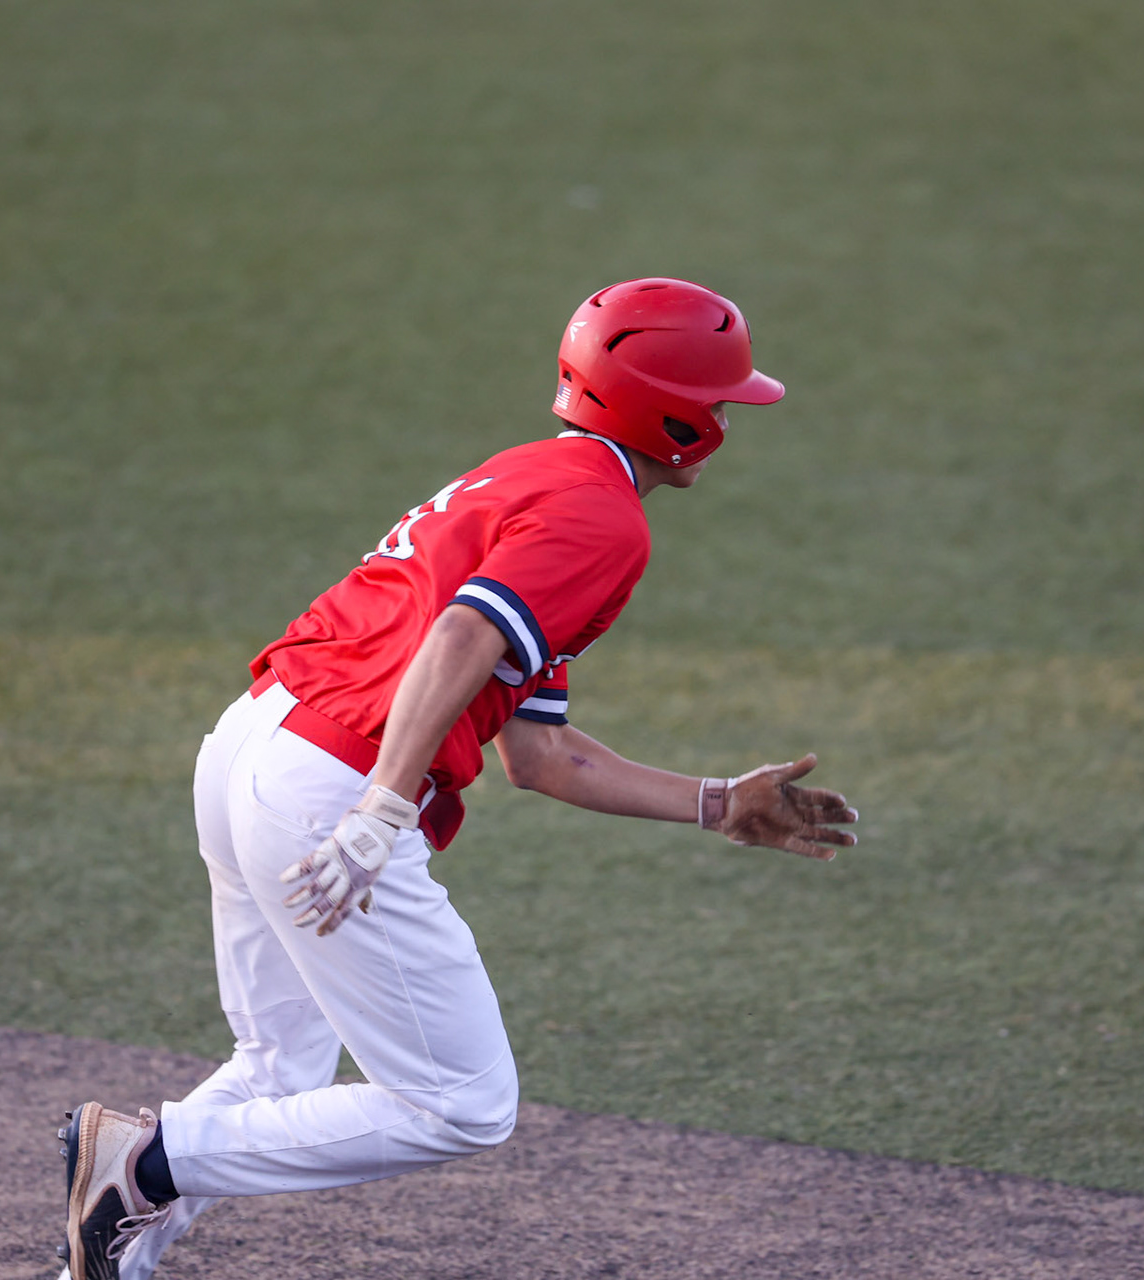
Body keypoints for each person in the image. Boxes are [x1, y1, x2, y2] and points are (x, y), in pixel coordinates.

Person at [54, 277, 860, 1280]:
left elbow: (539, 754)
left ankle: (112, 1246)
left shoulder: (530, 477)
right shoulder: (606, 519)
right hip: (331, 781)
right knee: (459, 1101)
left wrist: (714, 802)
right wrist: (380, 809)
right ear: (677, 413)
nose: (730, 416)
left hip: (251, 745)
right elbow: (464, 633)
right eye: (722, 399)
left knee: (280, 1066)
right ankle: (150, 1160)